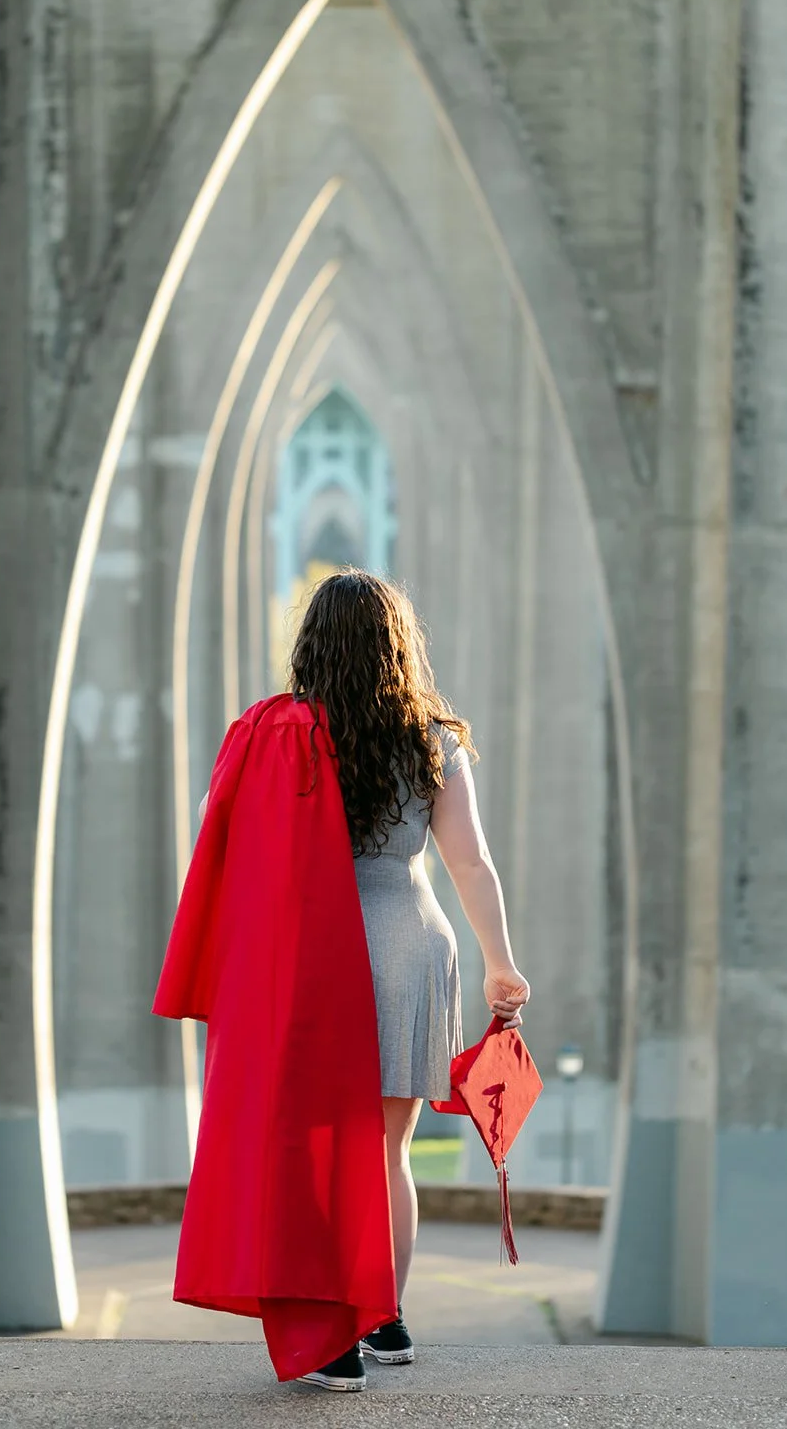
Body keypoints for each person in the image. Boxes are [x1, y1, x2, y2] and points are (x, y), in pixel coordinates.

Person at [153, 568, 529, 1392]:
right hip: (412, 942)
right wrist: (501, 962)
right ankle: (384, 1316)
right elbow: (471, 863)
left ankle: (334, 1330)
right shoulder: (432, 737)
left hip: (312, 955)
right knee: (389, 1149)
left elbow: (232, 857)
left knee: (317, 1149)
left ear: (312, 641)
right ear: (401, 643)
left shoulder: (275, 733)